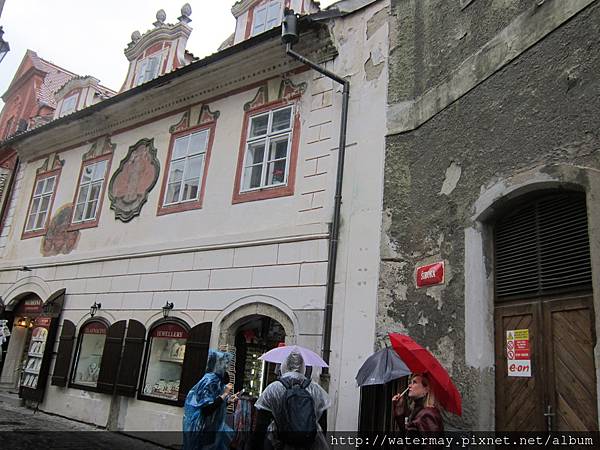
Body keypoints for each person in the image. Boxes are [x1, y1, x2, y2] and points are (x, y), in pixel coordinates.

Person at [250, 351, 331, 450]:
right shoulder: (316, 390)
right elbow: (323, 425)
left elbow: (260, 425)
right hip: (309, 445)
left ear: (284, 365)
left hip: (279, 444)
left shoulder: (273, 389)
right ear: (303, 367)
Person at [183, 350, 237, 450]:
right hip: (201, 427)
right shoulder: (209, 381)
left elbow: (214, 404)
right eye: (224, 363)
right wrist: (224, 394)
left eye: (227, 363)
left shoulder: (217, 380)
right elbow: (207, 409)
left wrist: (228, 401)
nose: (226, 367)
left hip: (211, 426)